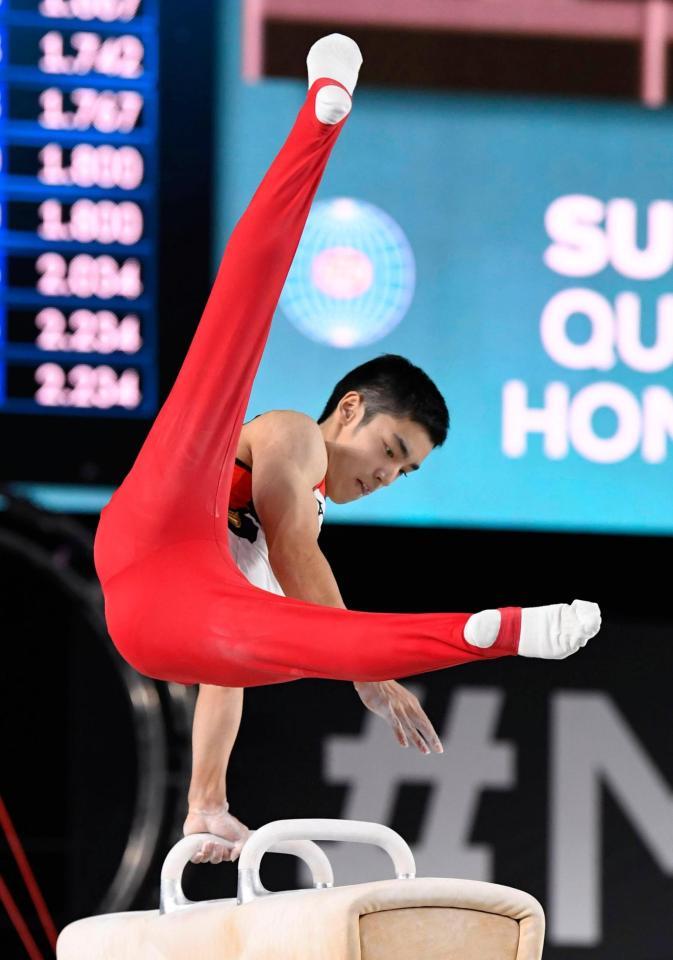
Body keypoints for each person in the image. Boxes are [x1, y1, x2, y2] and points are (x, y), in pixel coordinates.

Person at [93, 35, 601, 866]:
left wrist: (206, 801)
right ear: (351, 407)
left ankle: (451, 639)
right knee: (234, 327)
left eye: (406, 471)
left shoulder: (302, 525)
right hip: (157, 523)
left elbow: (231, 661)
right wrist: (367, 667)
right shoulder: (294, 435)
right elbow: (293, 546)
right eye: (392, 448)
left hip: (168, 618)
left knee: (274, 641)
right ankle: (319, 113)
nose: (387, 475)